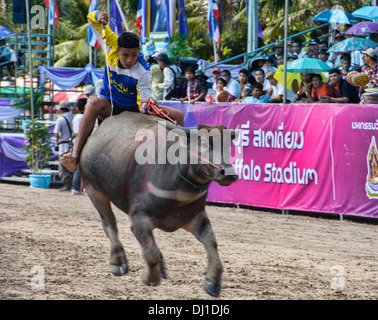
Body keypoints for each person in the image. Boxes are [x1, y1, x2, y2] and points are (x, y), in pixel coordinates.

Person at [60, 10, 184, 173]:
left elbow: (143, 105)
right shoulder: (110, 44)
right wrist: (98, 15)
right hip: (110, 105)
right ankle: (75, 157)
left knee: (179, 116)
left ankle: (179, 160)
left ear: (139, 52)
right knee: (93, 102)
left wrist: (149, 104)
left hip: (134, 109)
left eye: (134, 55)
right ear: (117, 51)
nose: (129, 60)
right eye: (125, 55)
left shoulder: (144, 72)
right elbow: (92, 19)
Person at [54, 101, 74, 192]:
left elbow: (56, 134)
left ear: (60, 109)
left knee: (63, 167)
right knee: (72, 165)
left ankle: (67, 185)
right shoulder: (74, 118)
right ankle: (73, 185)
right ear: (69, 109)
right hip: (73, 145)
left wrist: (57, 141)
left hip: (63, 145)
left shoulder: (60, 119)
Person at [71, 98, 87, 195]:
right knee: (80, 166)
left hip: (76, 141)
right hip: (81, 141)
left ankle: (76, 187)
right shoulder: (83, 117)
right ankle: (76, 187)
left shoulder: (76, 117)